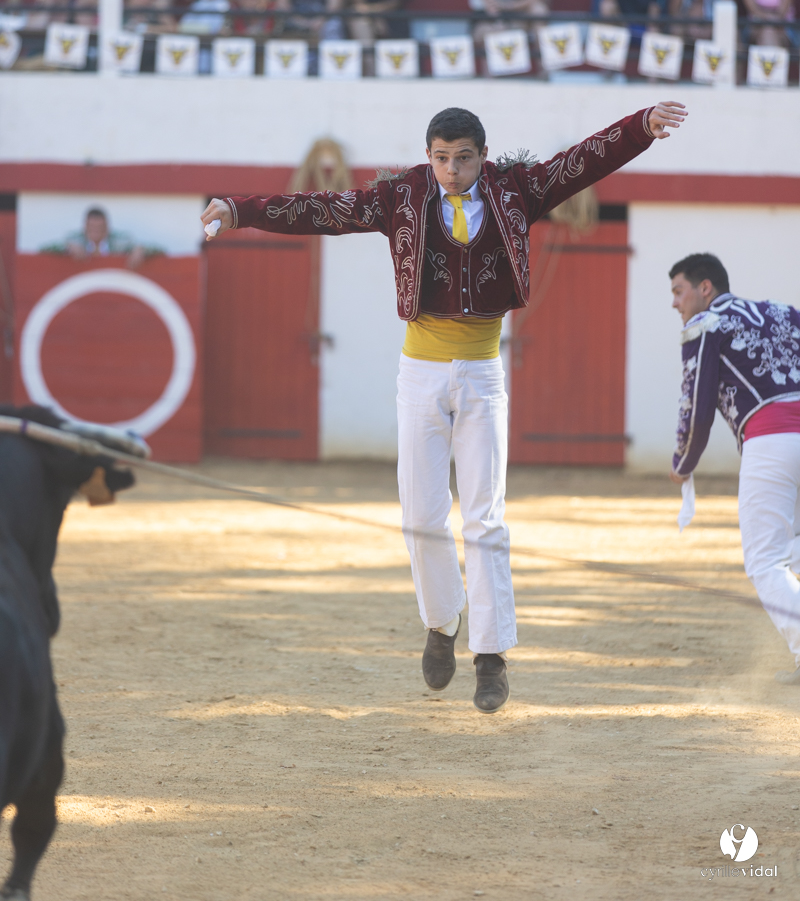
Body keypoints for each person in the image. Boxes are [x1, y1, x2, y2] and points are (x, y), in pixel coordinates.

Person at [201, 99, 687, 712]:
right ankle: (441, 625)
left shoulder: (517, 190)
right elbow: (319, 209)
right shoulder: (401, 196)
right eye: (440, 159)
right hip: (420, 374)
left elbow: (581, 165)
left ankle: (491, 655)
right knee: (423, 516)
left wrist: (639, 126)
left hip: (482, 373)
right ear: (428, 156)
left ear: (483, 156)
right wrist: (240, 208)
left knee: (484, 517)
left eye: (462, 159)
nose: (451, 170)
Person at [668, 253, 800, 685]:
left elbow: (698, 403)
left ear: (705, 289)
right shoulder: (783, 312)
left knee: (765, 560)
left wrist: (683, 462)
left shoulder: (706, 324)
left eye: (678, 291)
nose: (675, 304)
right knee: (790, 545)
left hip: (771, 441)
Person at [63, 208, 146, 270]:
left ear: (107, 227)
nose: (96, 231)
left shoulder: (120, 241)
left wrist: (139, 249)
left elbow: (151, 247)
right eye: (92, 227)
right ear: (85, 227)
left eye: (100, 227)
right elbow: (53, 247)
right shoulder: (75, 239)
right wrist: (70, 246)